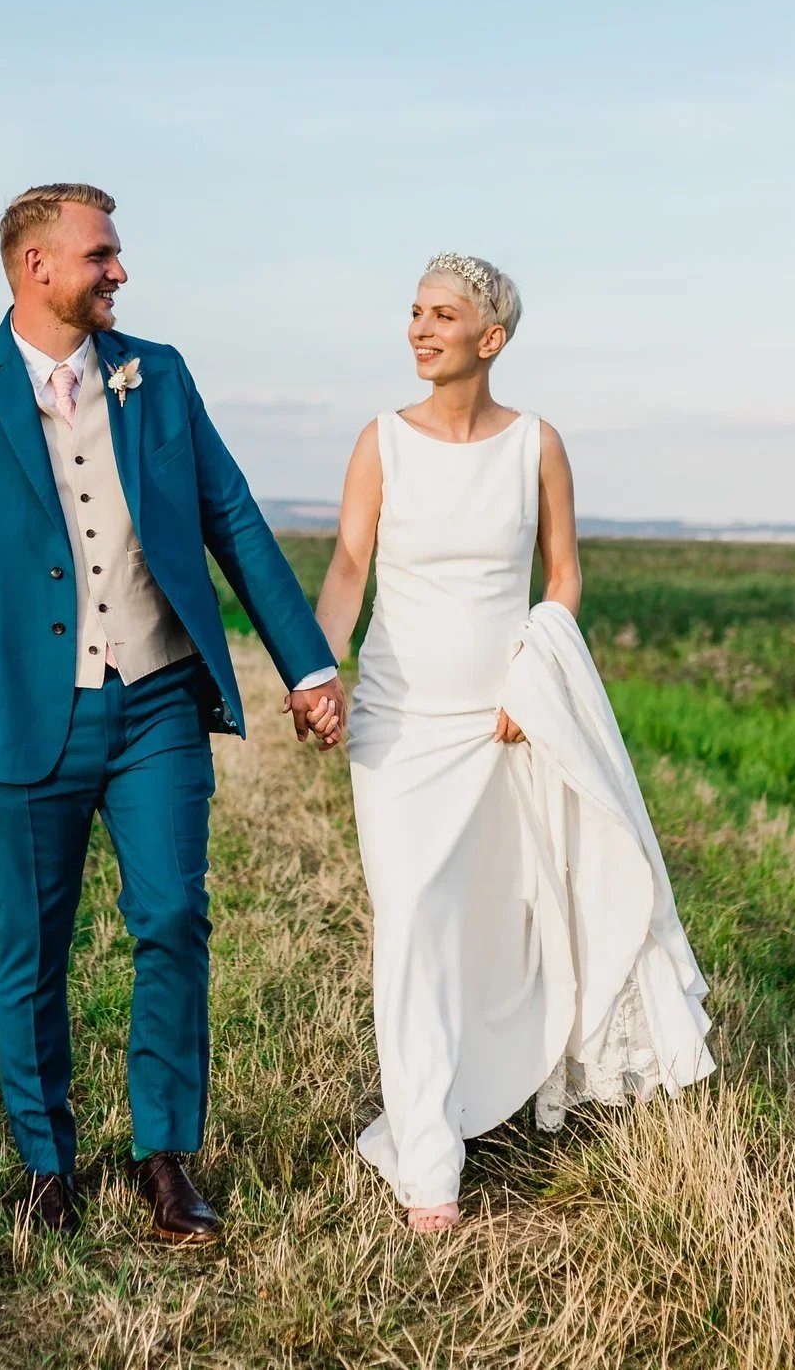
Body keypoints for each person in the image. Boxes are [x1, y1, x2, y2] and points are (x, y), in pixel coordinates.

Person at [0, 183, 347, 1242]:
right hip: (18, 707)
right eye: (101, 255)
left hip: (157, 699)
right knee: (32, 945)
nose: (120, 272)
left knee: (174, 916)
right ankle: (45, 1163)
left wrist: (307, 666)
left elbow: (233, 517)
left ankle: (164, 1155)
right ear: (36, 265)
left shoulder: (158, 374)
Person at [310, 253, 717, 1233]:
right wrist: (318, 670)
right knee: (411, 919)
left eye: (441, 315)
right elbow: (350, 564)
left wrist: (535, 672)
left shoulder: (538, 444)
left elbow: (563, 574)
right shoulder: (380, 441)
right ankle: (427, 1160)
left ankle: (487, 1078)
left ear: (489, 338)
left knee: (496, 916)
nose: (419, 328)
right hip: (398, 723)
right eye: (414, 311)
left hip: (503, 720)